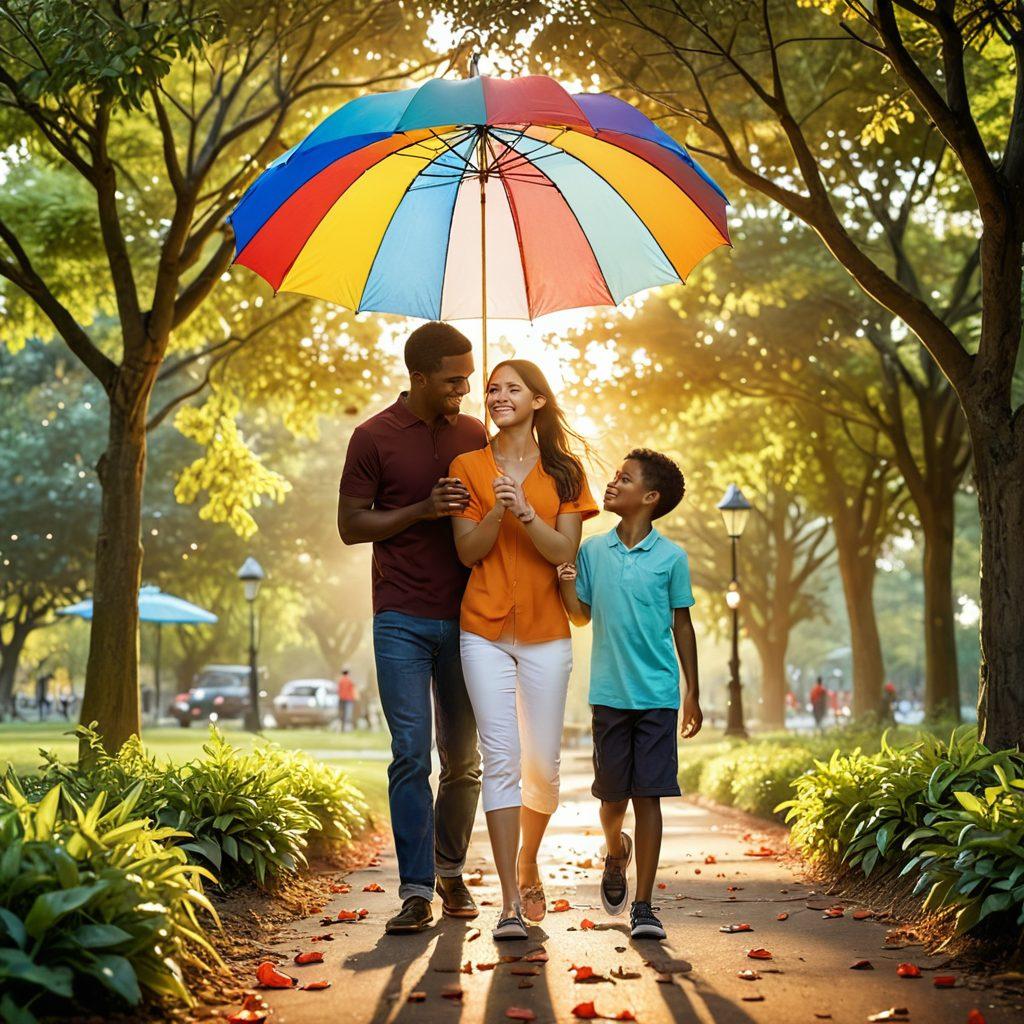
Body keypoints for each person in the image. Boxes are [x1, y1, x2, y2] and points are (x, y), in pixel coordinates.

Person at [338, 321, 485, 935]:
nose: (466, 390)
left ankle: (450, 868)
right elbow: (351, 525)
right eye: (455, 380)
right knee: (409, 755)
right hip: (399, 615)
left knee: (464, 760)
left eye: (470, 378)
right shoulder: (372, 436)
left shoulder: (477, 435)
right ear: (419, 377)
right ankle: (416, 890)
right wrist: (423, 509)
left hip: (471, 615)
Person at [450, 360, 598, 941]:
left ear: (538, 400)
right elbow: (467, 552)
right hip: (482, 628)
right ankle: (509, 901)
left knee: (543, 766)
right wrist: (494, 508)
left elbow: (563, 547)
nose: (497, 395)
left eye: (511, 388)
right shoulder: (468, 467)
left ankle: (528, 860)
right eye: (491, 388)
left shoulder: (565, 472)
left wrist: (526, 510)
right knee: (502, 758)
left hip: (545, 634)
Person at [558, 449, 701, 941]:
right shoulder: (593, 551)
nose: (613, 482)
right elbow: (580, 615)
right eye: (615, 475)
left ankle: (644, 906)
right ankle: (615, 851)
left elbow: (682, 624)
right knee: (611, 796)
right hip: (610, 694)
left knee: (650, 795)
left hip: (658, 695)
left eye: (625, 478)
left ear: (650, 497)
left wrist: (692, 692)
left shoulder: (671, 558)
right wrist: (566, 582)